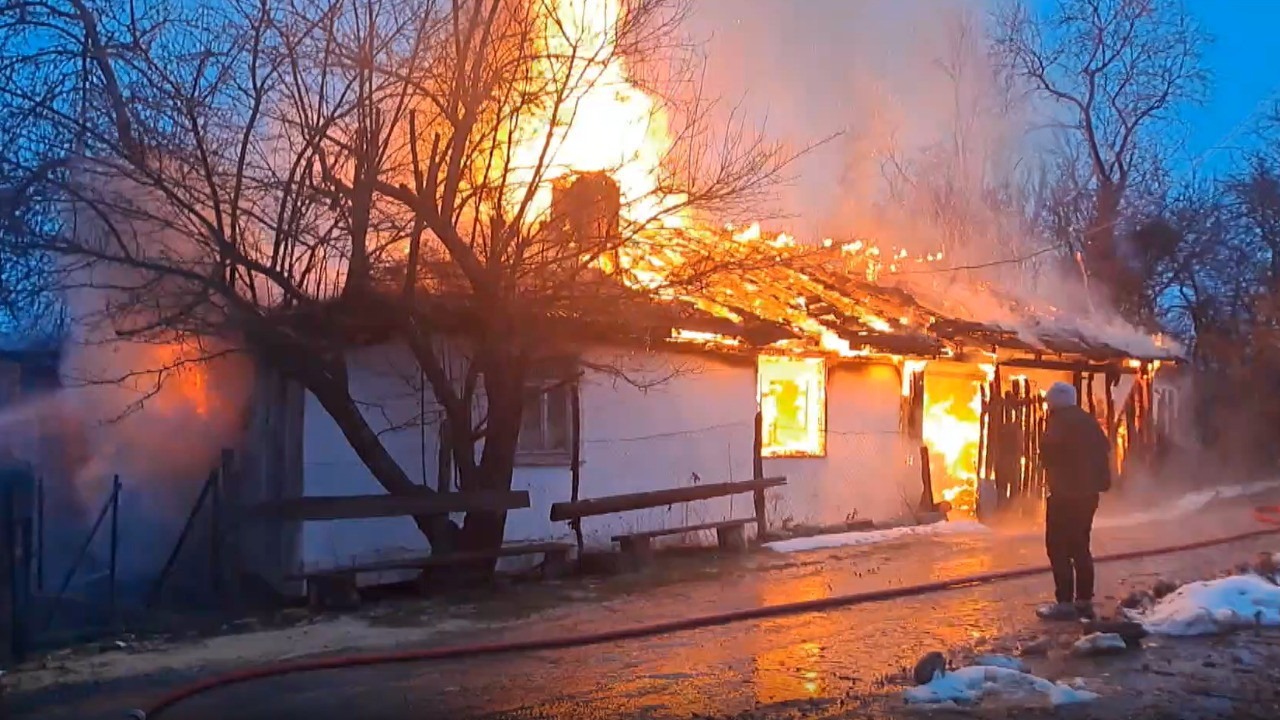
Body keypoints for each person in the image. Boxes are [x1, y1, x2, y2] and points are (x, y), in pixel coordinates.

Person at [1036, 381, 1111, 621]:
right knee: (1080, 545)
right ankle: (1084, 600)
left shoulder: (1060, 422)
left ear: (1056, 402)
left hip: (1065, 495)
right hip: (1088, 495)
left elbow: (1049, 453)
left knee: (1058, 547)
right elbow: (1104, 449)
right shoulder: (1088, 421)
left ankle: (1065, 602)